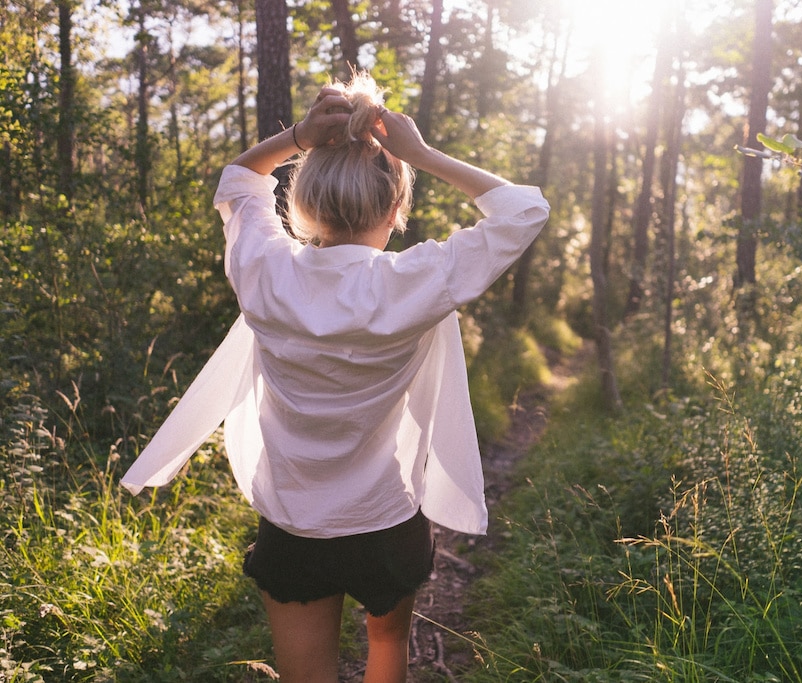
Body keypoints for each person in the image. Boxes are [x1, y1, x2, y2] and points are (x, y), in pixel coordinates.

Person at [121, 71, 548, 682]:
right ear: (398, 207)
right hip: (386, 517)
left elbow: (239, 182)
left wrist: (297, 135)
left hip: (293, 521)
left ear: (300, 203)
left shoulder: (267, 271)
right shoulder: (413, 282)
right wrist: (420, 154)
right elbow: (523, 210)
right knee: (386, 654)